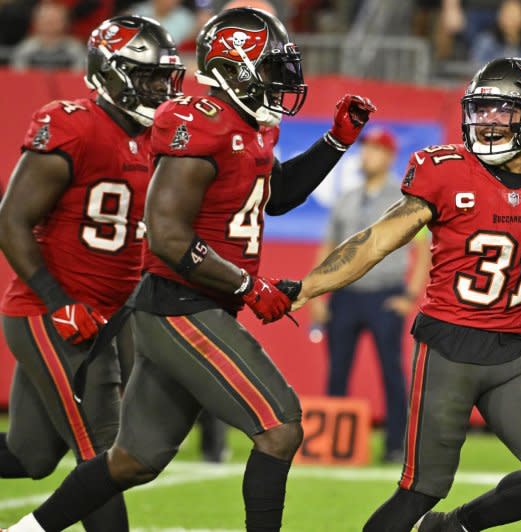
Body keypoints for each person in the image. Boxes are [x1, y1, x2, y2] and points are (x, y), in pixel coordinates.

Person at [2, 7, 375, 532]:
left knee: (129, 459)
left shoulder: (250, 126)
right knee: (280, 425)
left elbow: (279, 196)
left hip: (169, 305)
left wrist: (335, 142)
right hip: (173, 304)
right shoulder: (195, 121)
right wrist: (249, 285)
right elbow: (169, 236)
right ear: (235, 68)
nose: (281, 82)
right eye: (270, 70)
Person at [268, 57, 521, 532]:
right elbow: (375, 241)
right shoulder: (445, 172)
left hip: (513, 348)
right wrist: (306, 289)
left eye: (503, 112)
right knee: (421, 489)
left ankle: (453, 527)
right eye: (482, 110)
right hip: (449, 346)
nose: (489, 122)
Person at [0, 15, 185, 532]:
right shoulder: (72, 124)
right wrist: (59, 303)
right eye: (147, 77)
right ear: (112, 72)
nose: (158, 89)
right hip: (51, 312)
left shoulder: (157, 139)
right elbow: (11, 222)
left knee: (29, 456)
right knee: (104, 453)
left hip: (108, 317)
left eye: (164, 78)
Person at [310, 127, 431, 463]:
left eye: (376, 150)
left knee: (392, 371)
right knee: (337, 370)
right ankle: (332, 443)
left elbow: (423, 250)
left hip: (384, 293)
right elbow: (328, 246)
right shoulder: (347, 197)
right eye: (365, 149)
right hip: (345, 294)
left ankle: (396, 446)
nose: (367, 155)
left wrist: (409, 294)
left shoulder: (403, 199)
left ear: (389, 156)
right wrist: (317, 292)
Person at [11, 2, 85, 71]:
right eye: (46, 20)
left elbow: (78, 76)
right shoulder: (25, 48)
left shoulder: (75, 49)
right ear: (36, 22)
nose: (50, 24)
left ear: (66, 23)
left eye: (55, 20)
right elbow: (19, 76)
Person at [470, 0, 521, 65]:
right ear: (499, 18)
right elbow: (477, 69)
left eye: (515, 16)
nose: (511, 21)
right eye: (508, 16)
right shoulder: (486, 43)